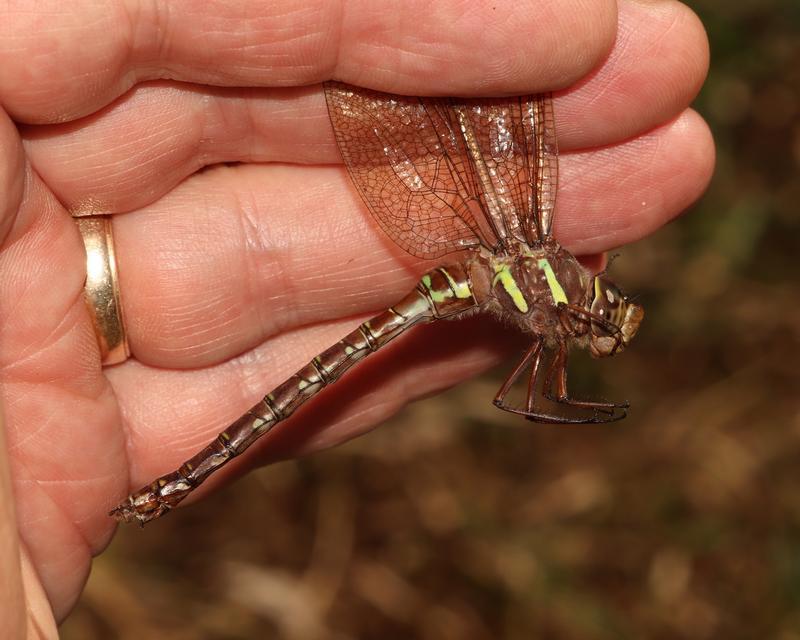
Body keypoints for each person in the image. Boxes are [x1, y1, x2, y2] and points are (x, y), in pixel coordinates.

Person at [0, 0, 713, 635]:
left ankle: (171, 486)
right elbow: (519, 396)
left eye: (604, 319)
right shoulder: (545, 277)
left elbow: (522, 394)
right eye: (605, 313)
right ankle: (176, 484)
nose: (601, 319)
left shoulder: (546, 293)